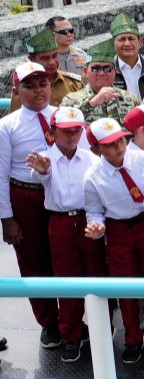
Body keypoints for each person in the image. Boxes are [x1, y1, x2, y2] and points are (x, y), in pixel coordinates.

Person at [83, 118, 144, 364]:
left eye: (121, 139)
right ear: (96, 149)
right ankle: (133, 339)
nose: (119, 147)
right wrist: (97, 227)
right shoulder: (92, 176)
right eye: (110, 144)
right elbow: (94, 211)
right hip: (118, 229)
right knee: (124, 285)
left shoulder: (143, 158)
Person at [27, 107, 102, 363]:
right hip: (59, 223)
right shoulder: (44, 158)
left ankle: (102, 332)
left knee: (96, 277)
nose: (72, 136)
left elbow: (97, 194)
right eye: (65, 131)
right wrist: (42, 170)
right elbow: (40, 175)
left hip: (88, 219)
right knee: (66, 280)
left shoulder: (91, 158)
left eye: (77, 131)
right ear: (52, 133)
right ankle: (71, 336)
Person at [0, 63, 61, 348]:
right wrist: (7, 218)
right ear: (16, 91)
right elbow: (1, 174)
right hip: (25, 196)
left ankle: (74, 319)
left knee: (65, 257)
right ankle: (48, 322)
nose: (38, 90)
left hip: (60, 194)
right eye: (30, 85)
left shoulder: (63, 117)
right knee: (34, 260)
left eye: (43, 84)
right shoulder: (7, 126)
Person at [60, 39, 138, 124]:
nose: (101, 73)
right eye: (95, 68)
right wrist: (92, 103)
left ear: (115, 72)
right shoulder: (71, 101)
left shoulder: (130, 99)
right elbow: (63, 125)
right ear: (86, 72)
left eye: (107, 68)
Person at [8, 28, 85, 112]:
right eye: (45, 58)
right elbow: (16, 120)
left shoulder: (75, 83)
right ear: (32, 59)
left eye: (55, 56)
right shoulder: (23, 89)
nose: (52, 62)